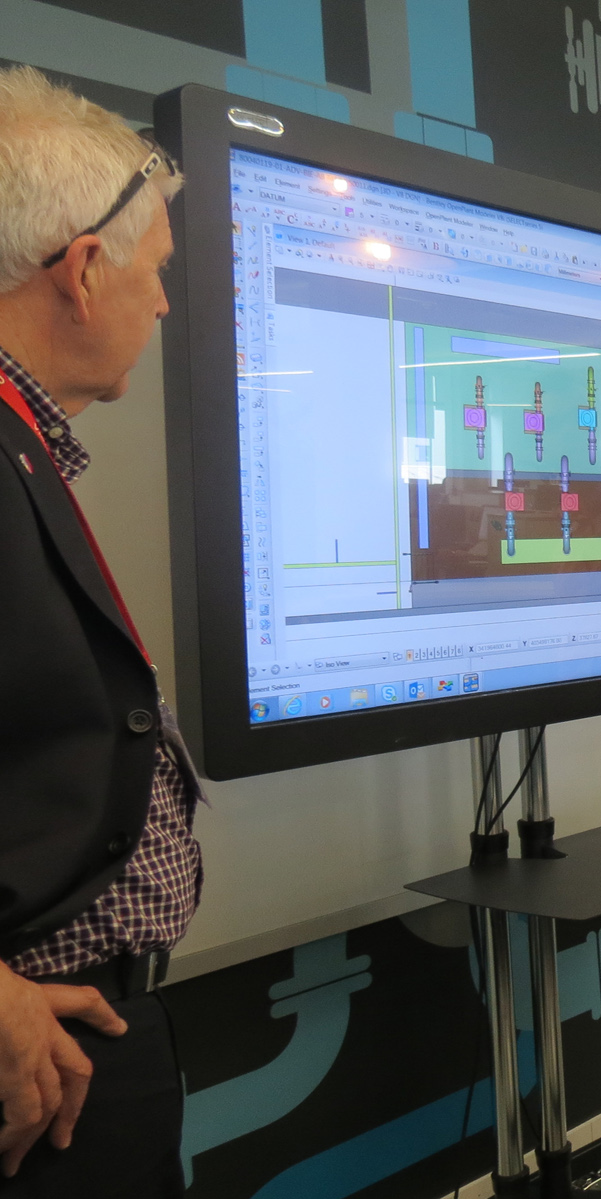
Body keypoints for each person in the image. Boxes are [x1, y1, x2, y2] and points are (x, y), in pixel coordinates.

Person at [0, 66, 202, 1197]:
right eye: (155, 270)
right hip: (37, 1063)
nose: (163, 305)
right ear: (82, 269)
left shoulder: (24, 445)